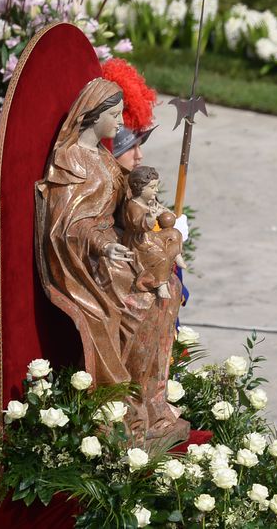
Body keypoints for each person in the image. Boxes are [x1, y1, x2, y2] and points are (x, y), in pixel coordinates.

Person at [34, 77, 186, 443]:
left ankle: (153, 402)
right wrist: (104, 246)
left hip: (116, 248)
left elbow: (124, 203)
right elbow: (66, 226)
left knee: (168, 295)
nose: (119, 123)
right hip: (87, 263)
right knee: (140, 305)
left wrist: (150, 210)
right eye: (115, 115)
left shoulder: (102, 155)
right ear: (92, 115)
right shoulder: (70, 160)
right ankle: (125, 408)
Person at [122, 165, 188, 298]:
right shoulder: (133, 206)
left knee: (174, 233)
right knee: (162, 258)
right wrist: (151, 216)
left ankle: (176, 254)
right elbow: (137, 224)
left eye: (156, 186)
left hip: (150, 236)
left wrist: (166, 213)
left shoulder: (150, 202)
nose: (156, 190)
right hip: (138, 242)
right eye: (152, 187)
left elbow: (161, 210)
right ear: (139, 188)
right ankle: (160, 284)